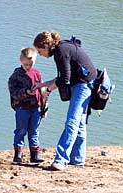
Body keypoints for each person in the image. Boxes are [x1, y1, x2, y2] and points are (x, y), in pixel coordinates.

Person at [32, 31, 97, 170]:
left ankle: (61, 160)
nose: (41, 54)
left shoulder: (61, 51)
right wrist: (41, 85)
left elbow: (64, 79)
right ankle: (77, 159)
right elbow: (64, 77)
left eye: (40, 51)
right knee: (79, 123)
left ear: (46, 45)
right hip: (82, 83)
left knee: (71, 121)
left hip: (84, 85)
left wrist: (48, 91)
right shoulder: (61, 49)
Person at [8, 47, 45, 163]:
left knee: (34, 131)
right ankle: (17, 155)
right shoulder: (16, 75)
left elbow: (42, 90)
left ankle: (35, 155)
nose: (28, 67)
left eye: (30, 64)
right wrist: (26, 92)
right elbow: (13, 92)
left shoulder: (37, 73)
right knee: (21, 130)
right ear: (20, 61)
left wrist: (44, 106)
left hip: (36, 108)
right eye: (25, 64)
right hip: (22, 108)